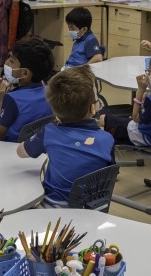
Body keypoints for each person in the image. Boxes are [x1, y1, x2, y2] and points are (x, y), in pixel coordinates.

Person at [19, 65, 114, 206]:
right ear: (92, 108)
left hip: (51, 208)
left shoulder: (49, 132)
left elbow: (20, 152)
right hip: (92, 211)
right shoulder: (107, 139)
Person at [0, 36, 55, 143]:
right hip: (40, 147)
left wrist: (0, 102)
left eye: (12, 61)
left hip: (13, 150)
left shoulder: (11, 99)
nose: (7, 63)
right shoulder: (50, 93)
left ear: (25, 73)